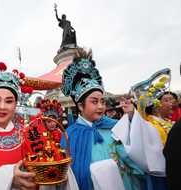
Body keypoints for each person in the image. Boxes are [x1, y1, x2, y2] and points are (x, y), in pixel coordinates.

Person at [0, 62, 78, 190]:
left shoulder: (31, 132)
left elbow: (47, 162)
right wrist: (8, 178)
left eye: (9, 101)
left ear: (16, 104)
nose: (2, 106)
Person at [60, 49, 145, 190]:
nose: (101, 106)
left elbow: (134, 155)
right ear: (80, 105)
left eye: (102, 101)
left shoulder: (114, 127)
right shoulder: (71, 135)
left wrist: (131, 118)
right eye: (94, 102)